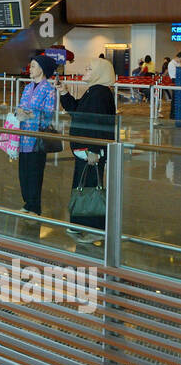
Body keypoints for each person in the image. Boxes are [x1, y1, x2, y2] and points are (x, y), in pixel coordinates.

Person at [58, 58, 116, 241]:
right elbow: (77, 112)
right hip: (85, 149)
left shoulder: (100, 94)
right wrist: (65, 94)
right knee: (83, 186)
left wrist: (94, 149)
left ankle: (95, 229)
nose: (86, 71)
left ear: (99, 73)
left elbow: (98, 124)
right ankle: (79, 224)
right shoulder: (94, 91)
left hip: (91, 151)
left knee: (90, 187)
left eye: (90, 69)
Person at [15, 55, 58, 216]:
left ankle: (35, 206)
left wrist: (30, 115)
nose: (30, 69)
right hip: (23, 136)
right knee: (24, 171)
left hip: (37, 138)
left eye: (33, 66)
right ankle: (27, 203)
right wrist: (18, 112)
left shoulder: (49, 90)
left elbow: (48, 114)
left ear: (41, 69)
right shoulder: (27, 88)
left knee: (35, 172)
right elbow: (19, 107)